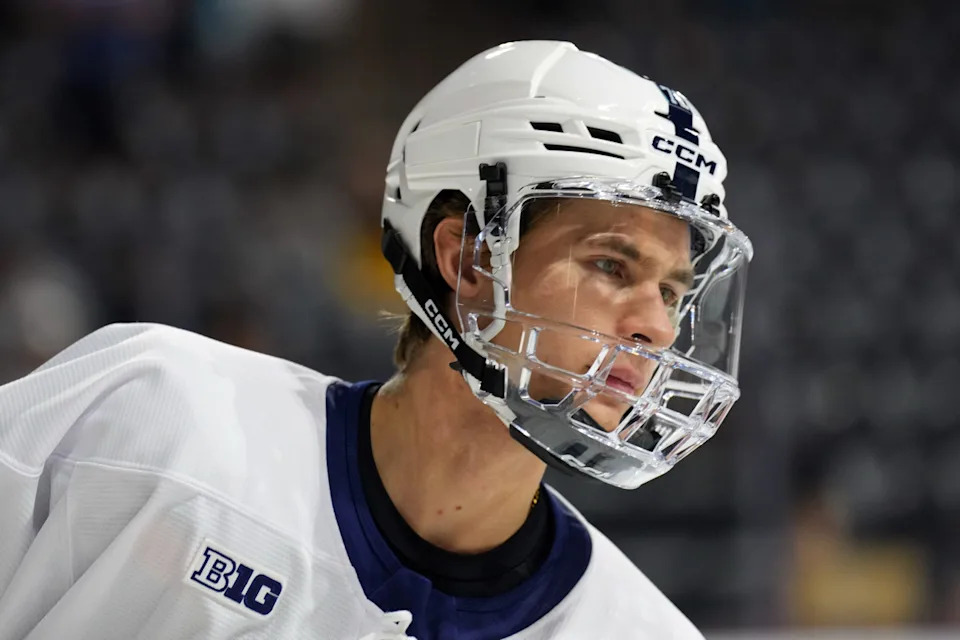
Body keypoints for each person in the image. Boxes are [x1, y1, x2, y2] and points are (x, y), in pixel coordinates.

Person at [0, 41, 752, 639]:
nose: (655, 325)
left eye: (673, 292)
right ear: (468, 260)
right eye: (611, 264)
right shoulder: (154, 420)